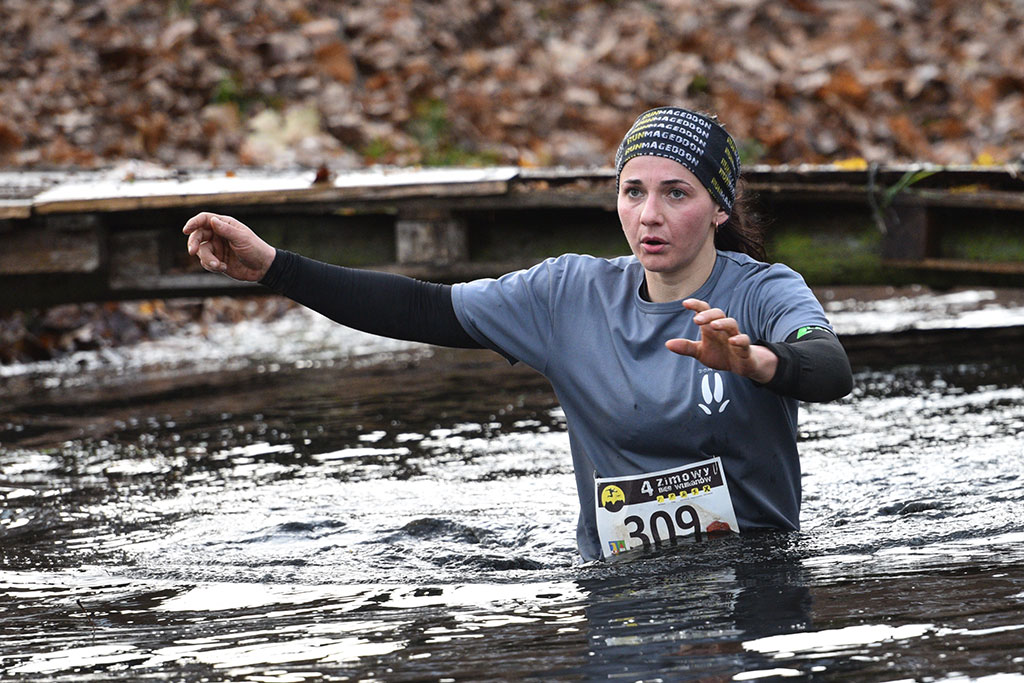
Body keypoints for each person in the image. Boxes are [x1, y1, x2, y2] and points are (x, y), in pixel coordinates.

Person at [183, 106, 853, 563]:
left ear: (719, 207)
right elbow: (421, 309)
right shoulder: (568, 295)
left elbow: (830, 366)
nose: (649, 214)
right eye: (633, 191)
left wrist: (759, 361)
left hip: (757, 571)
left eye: (676, 193)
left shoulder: (764, 290)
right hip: (618, 580)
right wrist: (275, 267)